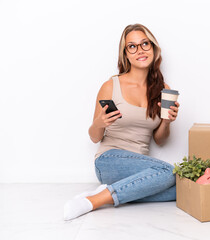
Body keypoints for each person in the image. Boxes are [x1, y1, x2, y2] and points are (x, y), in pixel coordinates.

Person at [63, 24, 180, 220]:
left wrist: (167, 122)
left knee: (180, 191)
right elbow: (94, 137)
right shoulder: (111, 85)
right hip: (110, 160)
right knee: (168, 172)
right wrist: (100, 122)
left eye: (144, 44)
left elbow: (160, 140)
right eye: (132, 46)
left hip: (140, 168)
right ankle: (92, 201)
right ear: (125, 54)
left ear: (153, 48)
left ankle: (109, 191)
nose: (140, 50)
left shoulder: (163, 88)